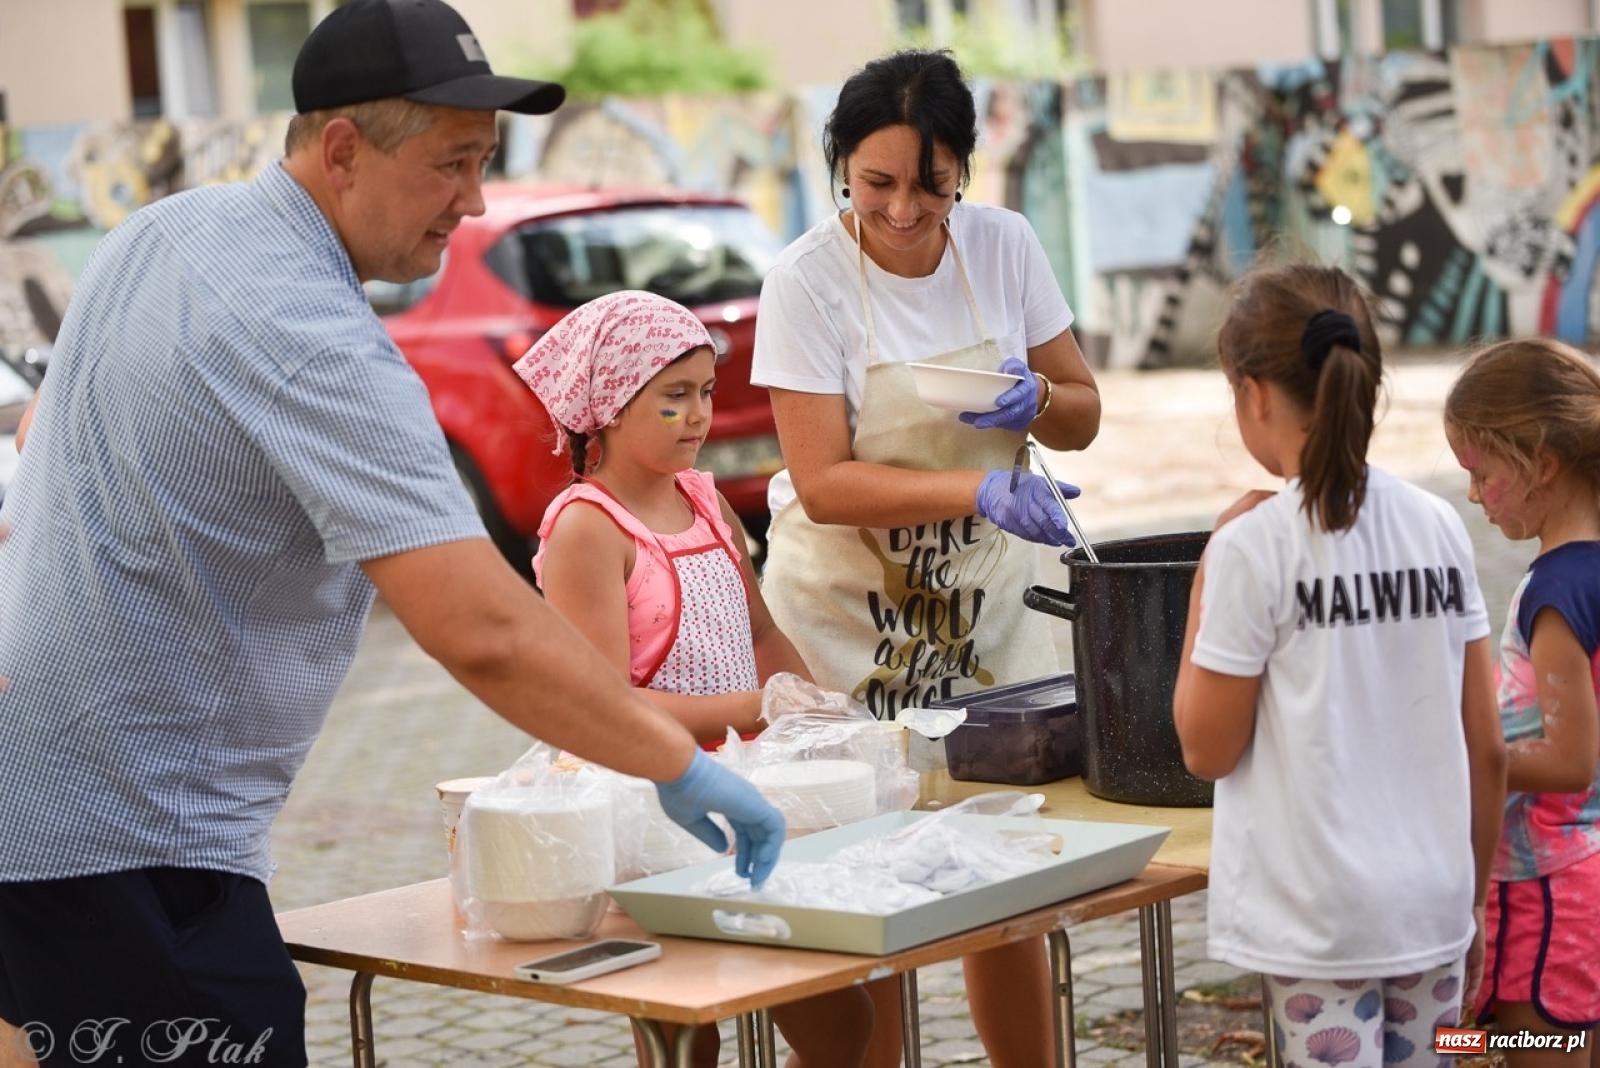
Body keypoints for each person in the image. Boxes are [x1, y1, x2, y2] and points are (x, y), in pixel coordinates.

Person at [0, 4, 785, 1066]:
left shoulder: (160, 232)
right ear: (341, 151)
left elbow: (41, 432)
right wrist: (675, 766)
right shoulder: (314, 336)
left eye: (485, 162)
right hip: (131, 838)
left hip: (38, 804)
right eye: (451, 164)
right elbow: (480, 628)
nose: (475, 199)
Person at [750, 48, 1100, 1068]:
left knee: (1005, 878)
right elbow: (823, 482)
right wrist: (976, 490)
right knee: (868, 889)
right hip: (846, 623)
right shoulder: (805, 281)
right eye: (877, 183)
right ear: (840, 168)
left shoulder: (1004, 246)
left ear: (963, 171)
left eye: (932, 185)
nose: (904, 210)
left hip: (985, 612)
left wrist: (1041, 401)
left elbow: (1083, 413)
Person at [518, 289, 873, 1068]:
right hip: (654, 812)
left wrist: (820, 720)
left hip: (750, 787)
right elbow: (606, 709)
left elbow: (761, 632)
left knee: (843, 1023)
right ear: (611, 404)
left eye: (707, 392)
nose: (702, 416)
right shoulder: (588, 528)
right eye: (674, 397)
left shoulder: (705, 501)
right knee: (687, 1032)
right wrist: (760, 705)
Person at [1172, 263, 1506, 1068]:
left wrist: (1209, 569)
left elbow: (1206, 749)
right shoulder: (1438, 525)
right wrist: (1471, 900)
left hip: (1318, 923)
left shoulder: (1252, 547)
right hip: (1432, 902)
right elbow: (1486, 746)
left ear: (1255, 396)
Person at [1444, 339, 1600, 1063]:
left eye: (1481, 473)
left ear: (1540, 462)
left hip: (1548, 889)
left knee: (1519, 1045)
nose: (1474, 495)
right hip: (1573, 878)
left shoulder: (1556, 593)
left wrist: (1466, 753)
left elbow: (1570, 761)